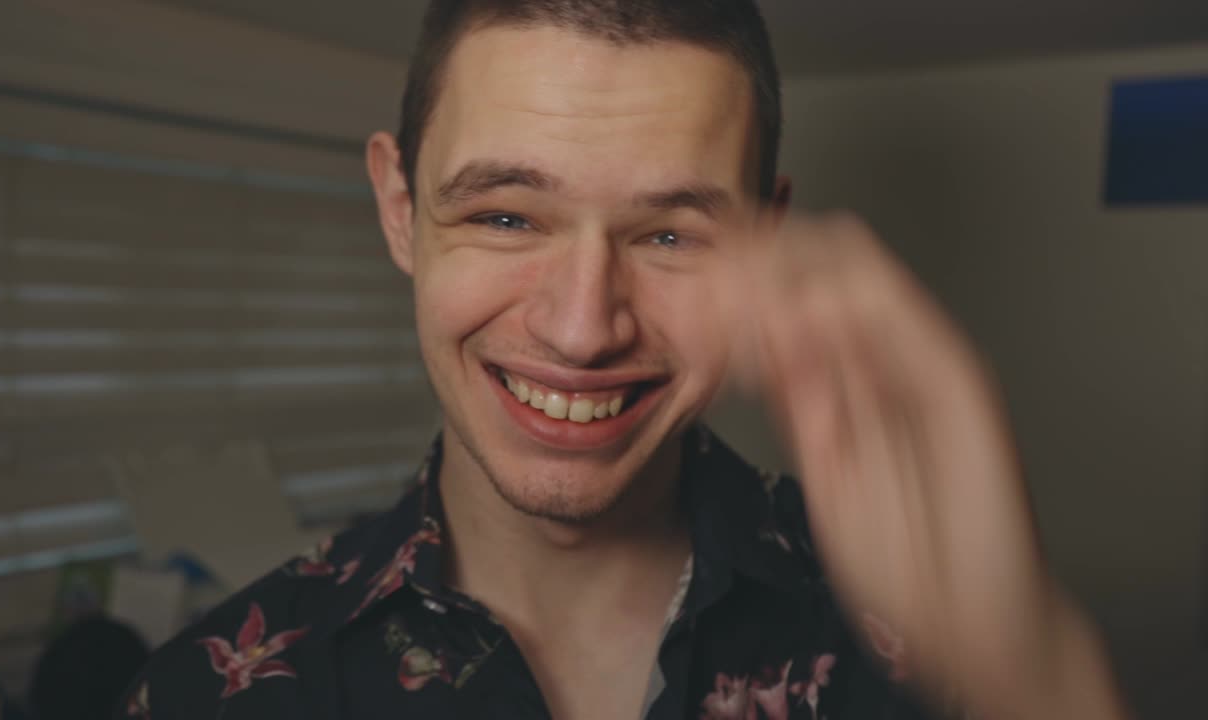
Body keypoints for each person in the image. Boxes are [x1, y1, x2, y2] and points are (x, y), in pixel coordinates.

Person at [116, 1, 1132, 718]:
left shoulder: (927, 649)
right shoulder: (211, 693)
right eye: (508, 215)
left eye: (667, 235)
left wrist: (1034, 670)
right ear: (398, 209)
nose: (580, 328)